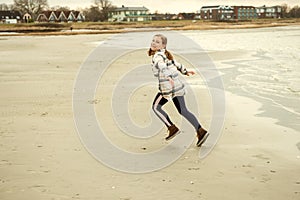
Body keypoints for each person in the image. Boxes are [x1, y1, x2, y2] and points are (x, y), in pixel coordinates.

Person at [148, 34, 209, 147]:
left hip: (167, 88)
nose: (153, 43)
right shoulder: (165, 55)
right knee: (183, 110)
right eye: (153, 41)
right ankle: (201, 131)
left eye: (157, 42)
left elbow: (162, 67)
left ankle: (172, 128)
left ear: (163, 45)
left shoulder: (157, 56)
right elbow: (176, 64)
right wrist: (185, 71)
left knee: (156, 107)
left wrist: (168, 76)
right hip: (177, 86)